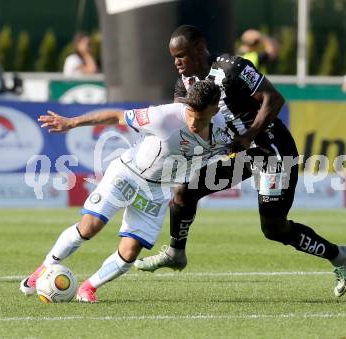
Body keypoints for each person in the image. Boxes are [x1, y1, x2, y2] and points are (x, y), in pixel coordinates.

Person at [134, 25, 346, 298]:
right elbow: (186, 122)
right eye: (173, 57)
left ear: (199, 48)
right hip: (239, 154)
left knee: (274, 228)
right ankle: (175, 252)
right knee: (184, 192)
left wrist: (249, 135)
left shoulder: (232, 67)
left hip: (272, 151)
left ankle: (340, 255)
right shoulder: (185, 83)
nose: (177, 63)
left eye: (181, 55)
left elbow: (274, 99)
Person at [20, 80, 230, 302]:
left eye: (201, 117)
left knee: (130, 253)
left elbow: (242, 142)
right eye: (190, 114)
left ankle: (88, 288)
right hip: (128, 173)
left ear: (215, 110)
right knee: (90, 226)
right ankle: (44, 268)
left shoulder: (223, 129)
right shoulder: (164, 117)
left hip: (157, 192)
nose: (194, 122)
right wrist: (72, 122)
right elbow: (118, 116)